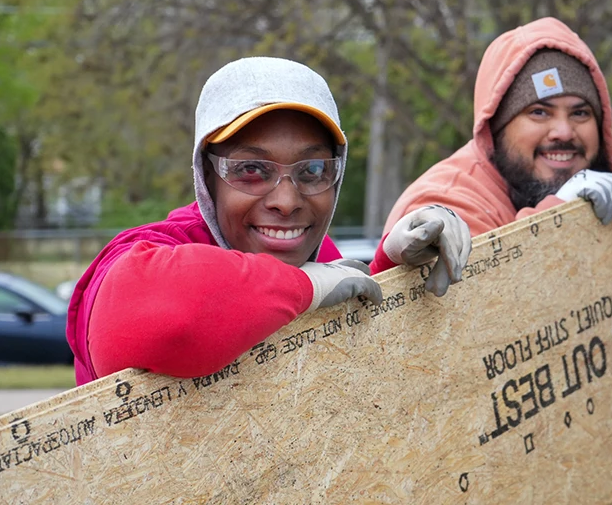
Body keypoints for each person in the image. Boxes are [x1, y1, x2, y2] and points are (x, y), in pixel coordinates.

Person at [67, 57, 471, 385]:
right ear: (206, 179)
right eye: (250, 169)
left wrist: (389, 269)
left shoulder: (315, 254)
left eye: (313, 170)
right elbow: (166, 321)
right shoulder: (158, 250)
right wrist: (306, 286)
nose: (286, 200)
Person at [383, 18, 612, 335]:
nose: (563, 131)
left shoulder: (604, 194)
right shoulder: (447, 203)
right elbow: (474, 345)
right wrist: (555, 221)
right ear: (497, 128)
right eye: (539, 112)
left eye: (580, 112)